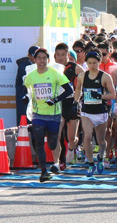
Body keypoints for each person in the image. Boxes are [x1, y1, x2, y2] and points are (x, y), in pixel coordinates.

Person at [23, 48, 73, 182]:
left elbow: (69, 90)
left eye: (44, 58)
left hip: (54, 115)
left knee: (52, 144)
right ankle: (43, 171)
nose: (41, 61)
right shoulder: (31, 76)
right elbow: (27, 89)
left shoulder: (56, 74)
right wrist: (26, 97)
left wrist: (55, 100)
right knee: (39, 141)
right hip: (38, 114)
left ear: (48, 60)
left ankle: (56, 159)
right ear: (35, 60)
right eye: (39, 58)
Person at [74, 51, 116, 177]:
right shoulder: (82, 76)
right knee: (87, 137)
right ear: (86, 63)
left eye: (95, 63)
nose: (92, 65)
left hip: (101, 112)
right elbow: (78, 89)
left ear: (99, 62)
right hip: (87, 111)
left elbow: (113, 94)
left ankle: (101, 158)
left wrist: (100, 96)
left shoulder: (105, 77)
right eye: (90, 63)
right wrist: (75, 102)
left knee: (101, 140)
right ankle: (91, 163)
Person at [15, 45, 39, 123]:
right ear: (29, 55)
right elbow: (27, 82)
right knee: (24, 119)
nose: (36, 58)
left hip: (37, 97)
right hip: (25, 95)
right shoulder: (23, 67)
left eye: (38, 56)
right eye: (34, 56)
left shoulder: (41, 65)